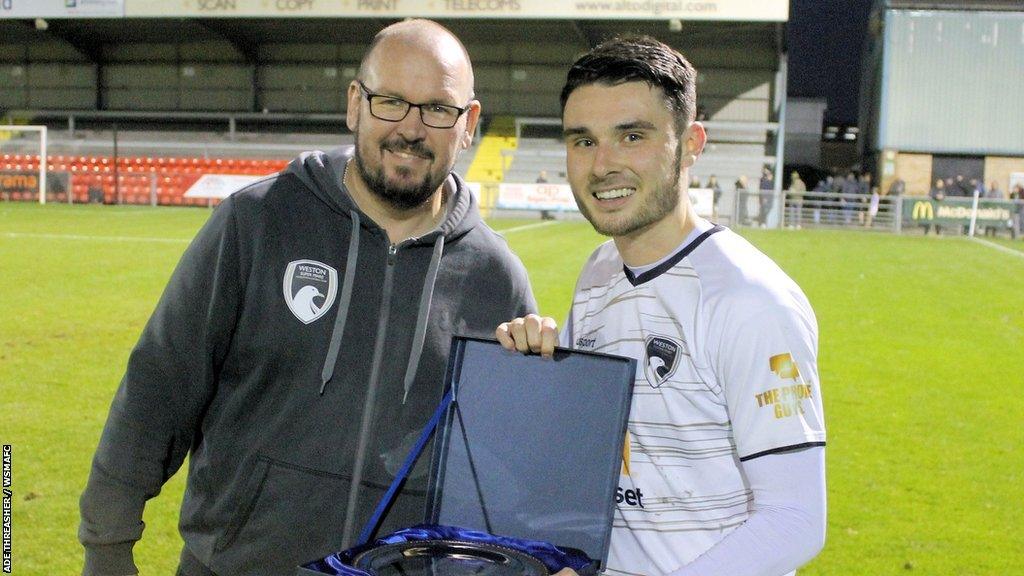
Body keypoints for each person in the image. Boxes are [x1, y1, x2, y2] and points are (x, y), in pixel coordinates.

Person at [78, 20, 537, 576]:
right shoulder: (255, 223)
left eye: (437, 109)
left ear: (468, 125)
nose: (410, 129)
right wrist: (107, 548)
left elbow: (502, 466)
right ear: (354, 104)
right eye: (391, 101)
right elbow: (159, 386)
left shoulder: (496, 277)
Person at [496, 36, 826, 576]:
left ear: (691, 143)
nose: (603, 165)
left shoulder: (751, 300)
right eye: (583, 141)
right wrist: (538, 375)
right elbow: (606, 460)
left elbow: (794, 519)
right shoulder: (599, 274)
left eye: (632, 136)